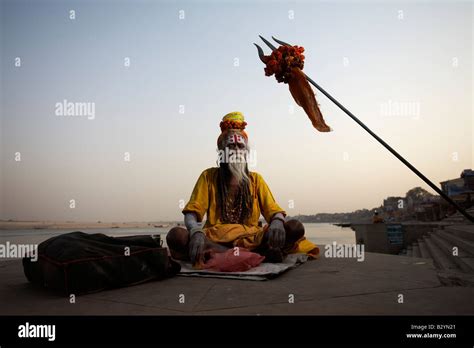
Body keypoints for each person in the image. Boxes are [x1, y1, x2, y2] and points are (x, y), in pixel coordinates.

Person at [166, 112, 319, 265]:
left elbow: (274, 211)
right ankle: (257, 254)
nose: (236, 150)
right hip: (215, 238)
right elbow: (192, 211)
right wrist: (195, 231)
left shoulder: (256, 179)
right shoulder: (208, 176)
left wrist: (277, 223)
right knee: (176, 236)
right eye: (231, 146)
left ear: (246, 152)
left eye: (240, 146)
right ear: (221, 151)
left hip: (252, 239)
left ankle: (230, 254)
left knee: (295, 227)